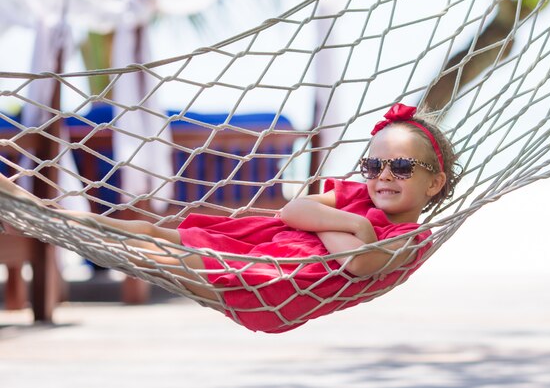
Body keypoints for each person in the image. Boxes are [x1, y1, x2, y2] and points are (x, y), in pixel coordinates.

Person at [0, 103, 460, 333]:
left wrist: (352, 229)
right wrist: (352, 226)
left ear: (434, 183)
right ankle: (41, 214)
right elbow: (292, 210)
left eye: (400, 168)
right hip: (259, 248)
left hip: (271, 285)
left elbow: (356, 263)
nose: (383, 176)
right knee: (152, 232)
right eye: (373, 165)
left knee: (153, 253)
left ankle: (37, 217)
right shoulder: (356, 198)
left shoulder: (411, 237)